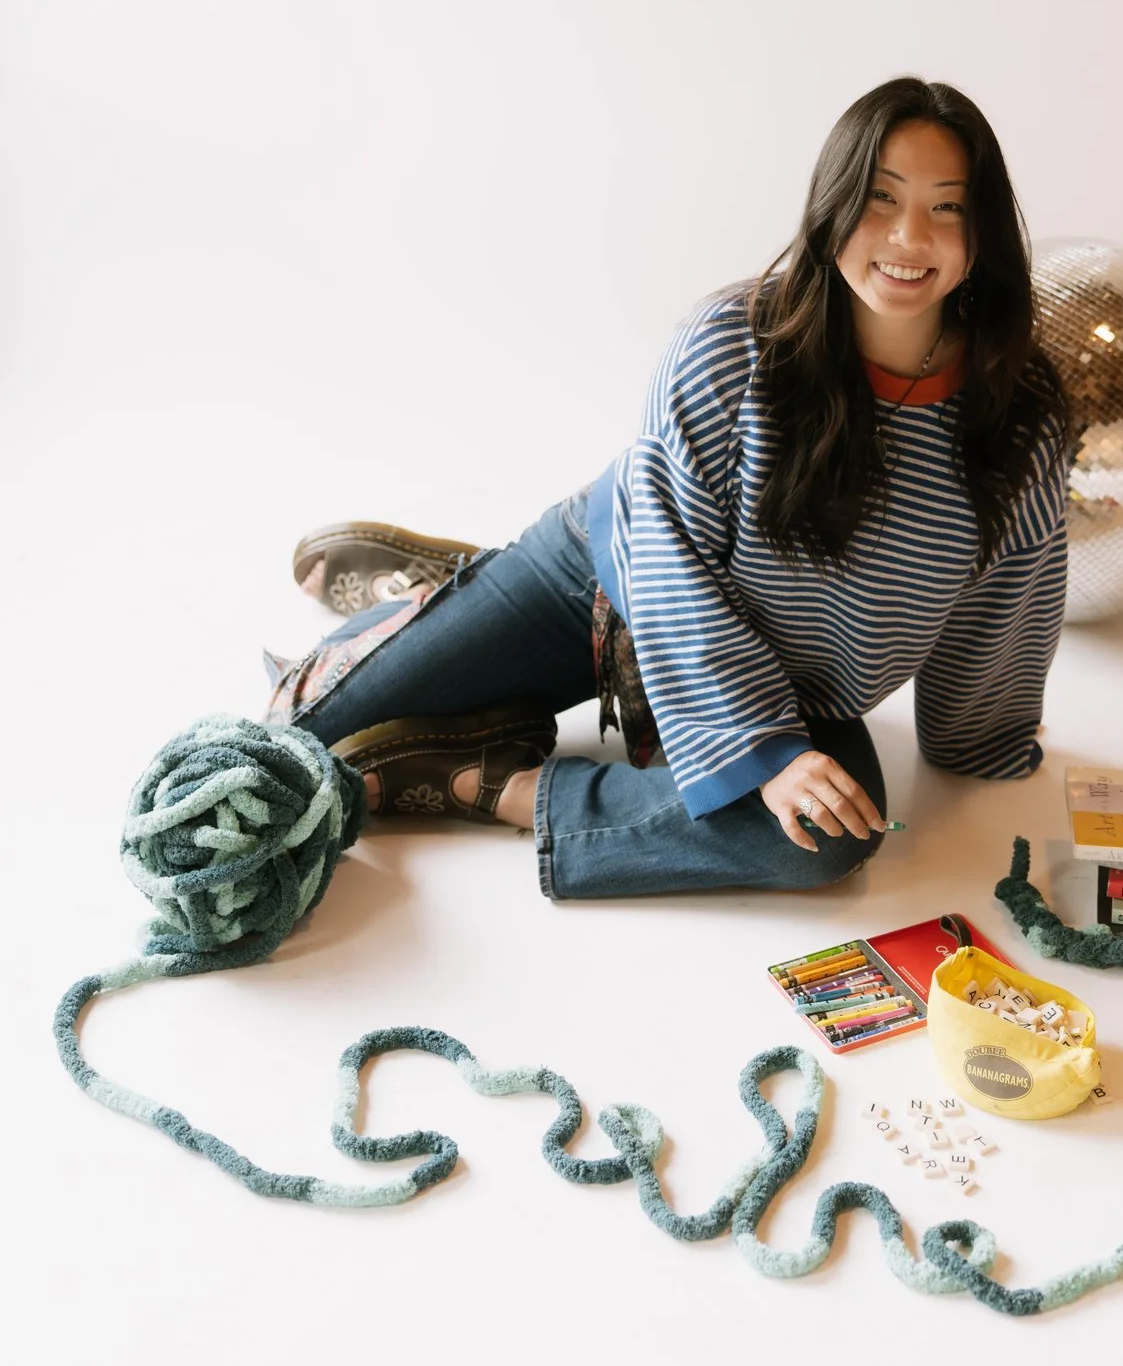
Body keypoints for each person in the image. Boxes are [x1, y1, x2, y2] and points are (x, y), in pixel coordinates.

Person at [269, 76, 1070, 899]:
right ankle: (438, 596)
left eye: (948, 206)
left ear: (983, 230)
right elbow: (665, 555)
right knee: (306, 728)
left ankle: (483, 781)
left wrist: (977, 741)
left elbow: (1010, 597)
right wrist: (763, 748)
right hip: (611, 581)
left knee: (825, 840)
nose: (909, 236)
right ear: (833, 203)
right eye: (881, 198)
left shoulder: (1021, 415)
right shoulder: (731, 342)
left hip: (795, 684)